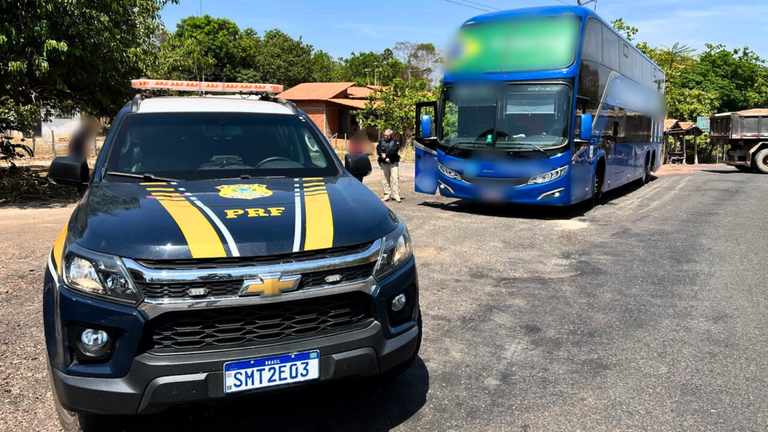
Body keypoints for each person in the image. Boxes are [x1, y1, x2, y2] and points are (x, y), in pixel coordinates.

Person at [377, 129, 401, 202]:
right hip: (384, 163)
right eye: (385, 135)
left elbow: (394, 150)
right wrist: (383, 156)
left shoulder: (395, 142)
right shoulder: (381, 141)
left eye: (387, 135)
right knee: (384, 179)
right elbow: (378, 150)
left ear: (391, 135)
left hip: (393, 162)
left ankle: (396, 195)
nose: (386, 137)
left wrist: (387, 155)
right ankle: (387, 195)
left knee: (395, 179)